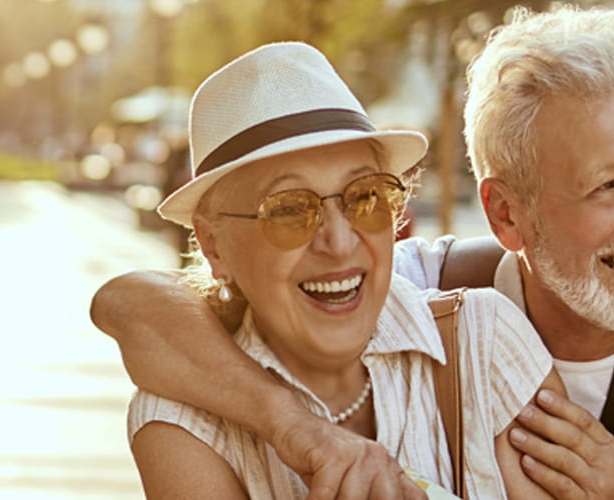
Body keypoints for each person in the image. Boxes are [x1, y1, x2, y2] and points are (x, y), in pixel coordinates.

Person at [92, 7, 614, 499]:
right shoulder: (411, 297)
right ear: (505, 213)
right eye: (608, 185)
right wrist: (302, 433)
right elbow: (131, 303)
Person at [123, 42, 564, 499]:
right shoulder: (182, 423)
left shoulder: (485, 340)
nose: (339, 242)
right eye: (289, 210)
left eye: (365, 197)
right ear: (213, 246)